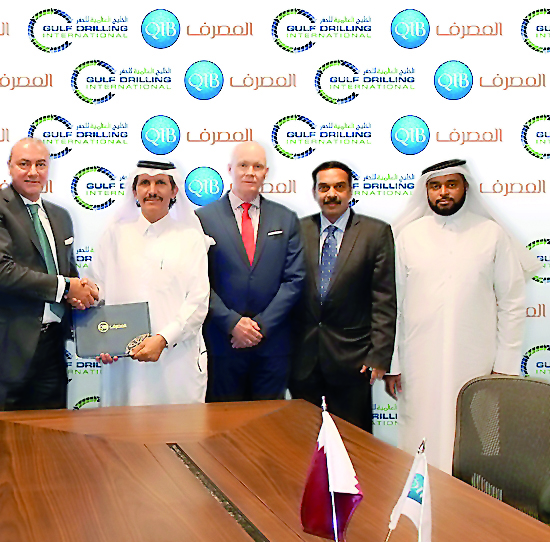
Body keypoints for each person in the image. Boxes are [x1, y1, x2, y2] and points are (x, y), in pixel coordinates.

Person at [384, 159, 538, 471]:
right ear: (426, 191)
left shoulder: (491, 234)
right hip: (418, 361)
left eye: (451, 185)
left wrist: (506, 364)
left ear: (465, 186)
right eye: (435, 186)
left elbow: (511, 302)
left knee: (475, 441)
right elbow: (394, 305)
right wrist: (393, 364)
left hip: (476, 362)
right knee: (420, 437)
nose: (443, 193)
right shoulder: (407, 236)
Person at [0, 137, 97, 411]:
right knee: (0, 446)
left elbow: (66, 273)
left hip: (52, 350)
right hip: (3, 351)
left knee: (51, 442)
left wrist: (84, 292)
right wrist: (67, 288)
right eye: (24, 164)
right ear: (10, 167)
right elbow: (0, 272)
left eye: (40, 164)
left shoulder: (60, 216)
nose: (33, 171)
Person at [289, 161, 396, 432]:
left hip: (354, 360)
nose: (331, 194)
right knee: (304, 441)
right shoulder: (298, 231)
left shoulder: (375, 232)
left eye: (339, 187)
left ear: (350, 191)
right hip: (303, 359)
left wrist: (379, 355)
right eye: (324, 187)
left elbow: (384, 298)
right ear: (314, 192)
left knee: (354, 444)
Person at [94, 160, 211, 406]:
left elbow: (198, 301)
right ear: (135, 191)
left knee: (179, 439)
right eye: (145, 183)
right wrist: (101, 340)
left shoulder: (190, 238)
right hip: (124, 366)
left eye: (160, 183)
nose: (152, 191)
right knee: (123, 437)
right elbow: (97, 292)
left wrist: (163, 339)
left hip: (175, 362)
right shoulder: (114, 236)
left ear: (174, 190)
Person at [196, 141, 305, 401]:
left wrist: (260, 327)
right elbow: (197, 281)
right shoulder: (202, 219)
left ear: (266, 172)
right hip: (221, 343)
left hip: (272, 346)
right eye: (243, 165)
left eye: (257, 166)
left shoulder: (286, 218)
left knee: (269, 429)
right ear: (230, 169)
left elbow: (294, 279)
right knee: (222, 429)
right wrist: (232, 323)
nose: (250, 172)